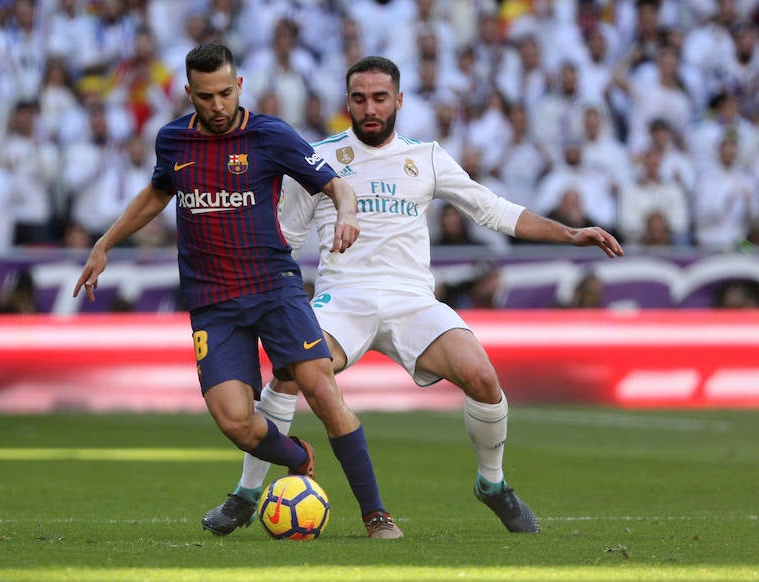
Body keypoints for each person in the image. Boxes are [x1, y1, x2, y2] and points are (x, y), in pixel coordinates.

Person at [202, 55, 623, 538]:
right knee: (290, 372)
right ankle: (246, 495)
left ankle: (494, 485)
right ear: (348, 104)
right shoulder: (316, 160)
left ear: (398, 100)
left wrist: (570, 234)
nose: (370, 108)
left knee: (483, 377)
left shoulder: (426, 157)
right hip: (343, 299)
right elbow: (285, 240)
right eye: (359, 99)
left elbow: (493, 210)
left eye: (380, 98)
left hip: (413, 301)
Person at [73, 43, 401, 540]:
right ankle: (300, 458)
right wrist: (105, 244)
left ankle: (376, 515)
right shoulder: (173, 141)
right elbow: (158, 192)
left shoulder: (269, 135)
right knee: (234, 421)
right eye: (206, 97)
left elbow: (336, 185)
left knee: (320, 389)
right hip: (213, 303)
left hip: (274, 289)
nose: (218, 105)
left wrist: (349, 213)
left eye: (226, 93)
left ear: (239, 86)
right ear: (189, 93)